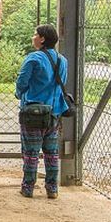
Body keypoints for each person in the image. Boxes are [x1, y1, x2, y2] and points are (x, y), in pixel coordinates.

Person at [15, 24, 67, 199]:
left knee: (30, 152)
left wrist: (19, 93)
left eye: (35, 34)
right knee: (51, 152)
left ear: (42, 39)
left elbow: (22, 82)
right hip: (53, 113)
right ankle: (52, 188)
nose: (33, 37)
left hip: (32, 113)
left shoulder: (33, 58)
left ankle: (28, 186)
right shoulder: (62, 61)